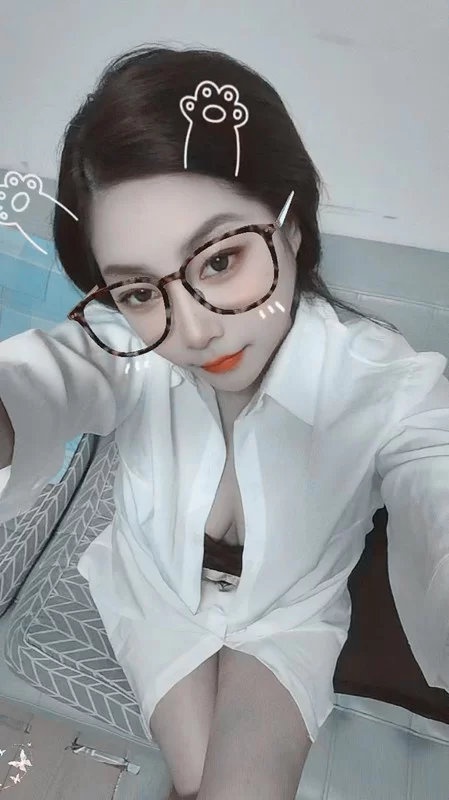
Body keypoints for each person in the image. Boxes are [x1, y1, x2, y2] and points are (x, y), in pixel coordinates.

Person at [1, 45, 449, 800]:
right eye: (139, 291)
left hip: (287, 611)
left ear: (291, 225)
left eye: (218, 262)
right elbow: (50, 373)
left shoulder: (378, 378)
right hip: (154, 589)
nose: (193, 330)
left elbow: (433, 461)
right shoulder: (128, 346)